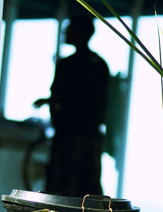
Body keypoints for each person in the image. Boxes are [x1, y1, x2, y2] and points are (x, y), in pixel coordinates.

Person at [34, 14, 110, 197]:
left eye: (70, 29)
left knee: (61, 191)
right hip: (92, 136)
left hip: (68, 136)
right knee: (89, 190)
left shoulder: (67, 64)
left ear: (80, 33)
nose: (65, 33)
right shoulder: (100, 65)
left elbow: (57, 98)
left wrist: (57, 125)